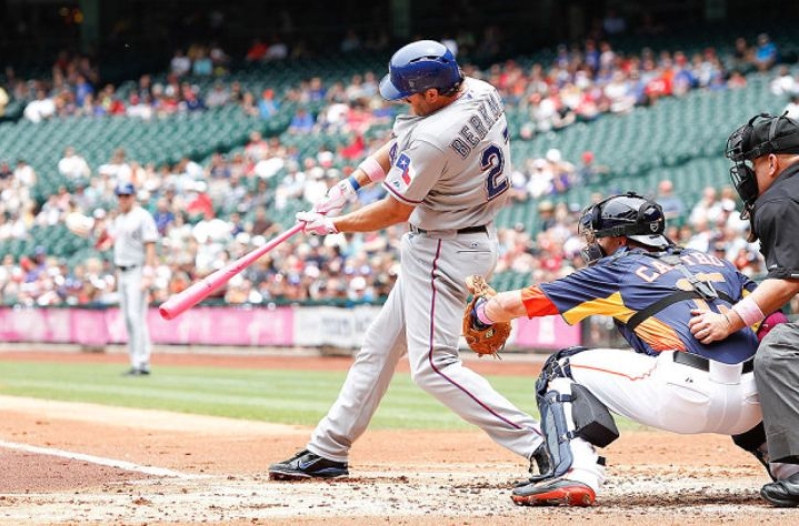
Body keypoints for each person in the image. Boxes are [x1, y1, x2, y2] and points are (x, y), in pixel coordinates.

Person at [268, 40, 544, 481]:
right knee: (378, 348)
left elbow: (396, 209)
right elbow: (402, 144)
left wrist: (334, 225)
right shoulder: (480, 90)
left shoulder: (433, 137)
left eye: (410, 95)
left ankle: (542, 443)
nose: (404, 101)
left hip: (443, 249)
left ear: (432, 93)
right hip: (465, 237)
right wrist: (351, 184)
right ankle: (328, 449)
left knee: (434, 366)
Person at [465, 193, 797, 506]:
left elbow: (519, 303)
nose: (595, 244)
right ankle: (791, 469)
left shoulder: (615, 269)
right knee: (757, 370)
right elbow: (774, 323)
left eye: (600, 237)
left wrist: (482, 313)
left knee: (560, 367)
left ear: (621, 240)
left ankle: (574, 472)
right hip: (753, 403)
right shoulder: (715, 262)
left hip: (684, 394)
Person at [689, 113, 799, 506]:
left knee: (780, 348)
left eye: (752, 163)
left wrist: (729, 320)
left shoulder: (782, 198)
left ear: (771, 161)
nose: (749, 173)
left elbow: (789, 280)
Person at [99, 182, 159, 376]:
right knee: (127, 318)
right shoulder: (119, 219)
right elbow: (109, 242)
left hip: (137, 270)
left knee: (136, 317)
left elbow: (150, 245)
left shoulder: (142, 216)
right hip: (122, 271)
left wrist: (148, 273)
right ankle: (135, 362)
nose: (123, 199)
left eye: (126, 195)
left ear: (133, 196)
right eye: (120, 196)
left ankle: (143, 363)